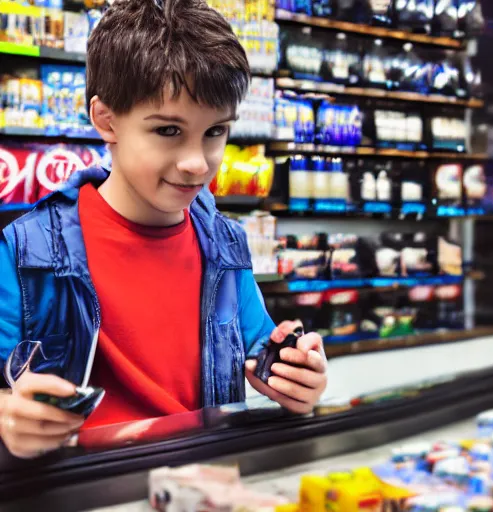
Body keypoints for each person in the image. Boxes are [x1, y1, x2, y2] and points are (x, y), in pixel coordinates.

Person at [0, 0, 327, 459]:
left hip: (204, 484)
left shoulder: (227, 244)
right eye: (169, 131)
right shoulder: (25, 249)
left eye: (215, 132)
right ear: (106, 120)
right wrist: (7, 412)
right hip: (80, 489)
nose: (198, 164)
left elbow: (265, 355)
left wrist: (300, 376)